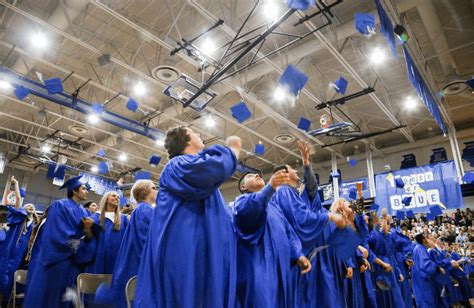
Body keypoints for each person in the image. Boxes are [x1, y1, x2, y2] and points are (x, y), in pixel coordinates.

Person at [134, 127, 241, 307]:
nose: (199, 134)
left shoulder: (192, 168)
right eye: (194, 132)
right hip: (186, 252)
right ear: (186, 140)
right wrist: (232, 151)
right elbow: (212, 169)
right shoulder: (177, 165)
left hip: (201, 251)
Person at [233, 170, 311, 307]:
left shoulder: (275, 207)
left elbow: (288, 233)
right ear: (243, 187)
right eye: (250, 176)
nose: (257, 175)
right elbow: (249, 211)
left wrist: (298, 255)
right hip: (258, 268)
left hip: (281, 269)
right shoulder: (241, 203)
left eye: (258, 175)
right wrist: (271, 186)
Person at [24, 175, 96, 308]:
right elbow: (58, 235)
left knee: (65, 297)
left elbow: (86, 234)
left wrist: (89, 233)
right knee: (51, 296)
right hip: (58, 260)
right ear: (74, 190)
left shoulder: (83, 211)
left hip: (73, 262)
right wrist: (80, 245)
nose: (87, 191)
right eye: (84, 188)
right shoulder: (59, 205)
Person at [95, 180, 158, 308]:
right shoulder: (144, 210)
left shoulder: (143, 210)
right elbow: (145, 242)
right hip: (138, 264)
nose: (156, 190)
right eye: (153, 187)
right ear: (145, 191)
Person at [0, 176, 38, 303]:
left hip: (26, 255)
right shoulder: (19, 219)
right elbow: (17, 200)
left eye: (32, 206)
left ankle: (15, 300)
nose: (30, 206)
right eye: (28, 205)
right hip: (13, 252)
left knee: (21, 277)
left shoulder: (36, 226)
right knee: (7, 274)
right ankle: (4, 299)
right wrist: (15, 184)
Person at [85, 191, 128, 275]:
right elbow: (89, 238)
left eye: (118, 197)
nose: (116, 198)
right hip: (99, 256)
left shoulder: (123, 219)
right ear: (106, 199)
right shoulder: (96, 217)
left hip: (117, 255)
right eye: (113, 196)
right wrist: (87, 229)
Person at [412, 233, 446, 307]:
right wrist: (437, 268)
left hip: (419, 279)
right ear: (423, 240)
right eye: (426, 238)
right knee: (427, 302)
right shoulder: (420, 249)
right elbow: (425, 264)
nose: (427, 240)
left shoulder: (417, 248)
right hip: (423, 281)